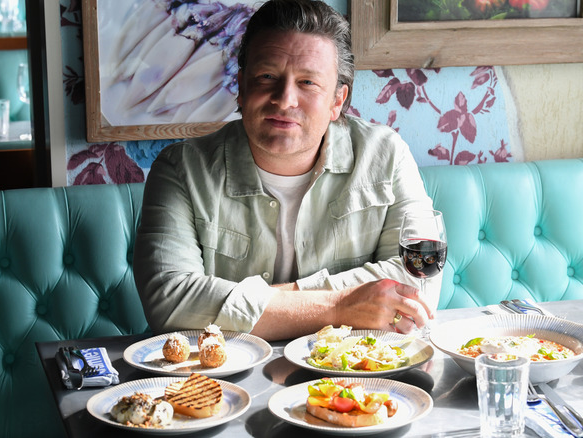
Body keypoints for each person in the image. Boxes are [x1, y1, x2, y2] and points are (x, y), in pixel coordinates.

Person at [134, 0, 438, 341]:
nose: (284, 99)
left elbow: (418, 285)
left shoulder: (386, 155)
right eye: (267, 76)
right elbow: (170, 301)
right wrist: (338, 306)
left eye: (307, 82)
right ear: (242, 87)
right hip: (223, 379)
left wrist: (273, 301)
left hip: (356, 375)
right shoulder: (180, 169)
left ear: (337, 101)